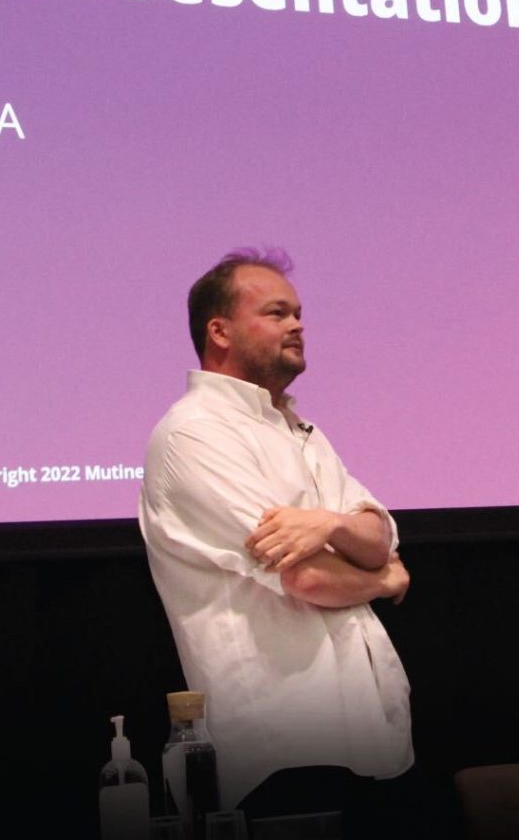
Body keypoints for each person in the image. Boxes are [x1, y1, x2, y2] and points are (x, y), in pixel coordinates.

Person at [139, 248, 417, 835]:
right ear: (219, 331)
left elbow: (375, 534)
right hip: (283, 741)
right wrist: (385, 578)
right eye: (276, 313)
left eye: (298, 313)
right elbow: (306, 576)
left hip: (366, 731)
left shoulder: (299, 431)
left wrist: (331, 525)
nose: (297, 325)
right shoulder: (195, 434)